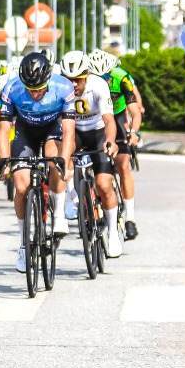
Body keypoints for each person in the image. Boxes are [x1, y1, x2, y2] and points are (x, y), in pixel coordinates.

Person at [0, 51, 76, 273]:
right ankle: (23, 242)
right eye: (31, 90)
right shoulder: (12, 89)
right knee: (21, 186)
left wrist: (64, 160)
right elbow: (3, 129)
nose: (36, 94)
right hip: (25, 132)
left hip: (52, 130)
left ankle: (58, 214)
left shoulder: (64, 88)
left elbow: (69, 131)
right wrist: (3, 160)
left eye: (40, 89)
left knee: (54, 158)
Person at [59, 50, 122, 257]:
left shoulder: (98, 86)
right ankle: (70, 196)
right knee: (64, 152)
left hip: (97, 132)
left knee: (104, 185)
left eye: (78, 80)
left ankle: (113, 231)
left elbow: (109, 121)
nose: (74, 85)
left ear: (86, 75)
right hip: (74, 132)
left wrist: (111, 141)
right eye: (69, 80)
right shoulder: (61, 89)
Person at [92, 49, 144, 241]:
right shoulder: (86, 81)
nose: (102, 81)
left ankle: (130, 218)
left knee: (122, 164)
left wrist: (134, 132)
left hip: (118, 116)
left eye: (105, 76)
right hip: (96, 119)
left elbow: (135, 112)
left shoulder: (121, 78)